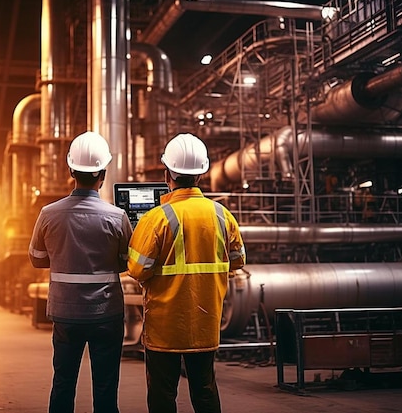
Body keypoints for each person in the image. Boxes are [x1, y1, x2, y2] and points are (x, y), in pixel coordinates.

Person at [127, 132, 246, 413]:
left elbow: (136, 269)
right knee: (205, 391)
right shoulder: (222, 215)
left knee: (162, 395)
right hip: (205, 324)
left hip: (165, 329)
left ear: (168, 174)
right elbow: (238, 260)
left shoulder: (156, 218)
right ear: (201, 176)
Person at [28, 131, 133, 413]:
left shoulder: (48, 214)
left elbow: (37, 259)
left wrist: (64, 257)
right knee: (106, 386)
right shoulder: (117, 217)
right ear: (103, 173)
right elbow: (126, 262)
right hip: (106, 313)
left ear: (71, 169)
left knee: (63, 382)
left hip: (66, 313)